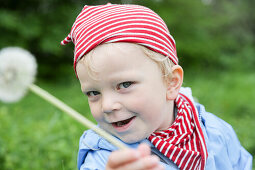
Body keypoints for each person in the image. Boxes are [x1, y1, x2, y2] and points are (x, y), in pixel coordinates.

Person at [61, 3, 252, 170]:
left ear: (171, 82)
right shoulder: (105, 156)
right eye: (93, 92)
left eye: (124, 84)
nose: (107, 106)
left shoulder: (214, 132)